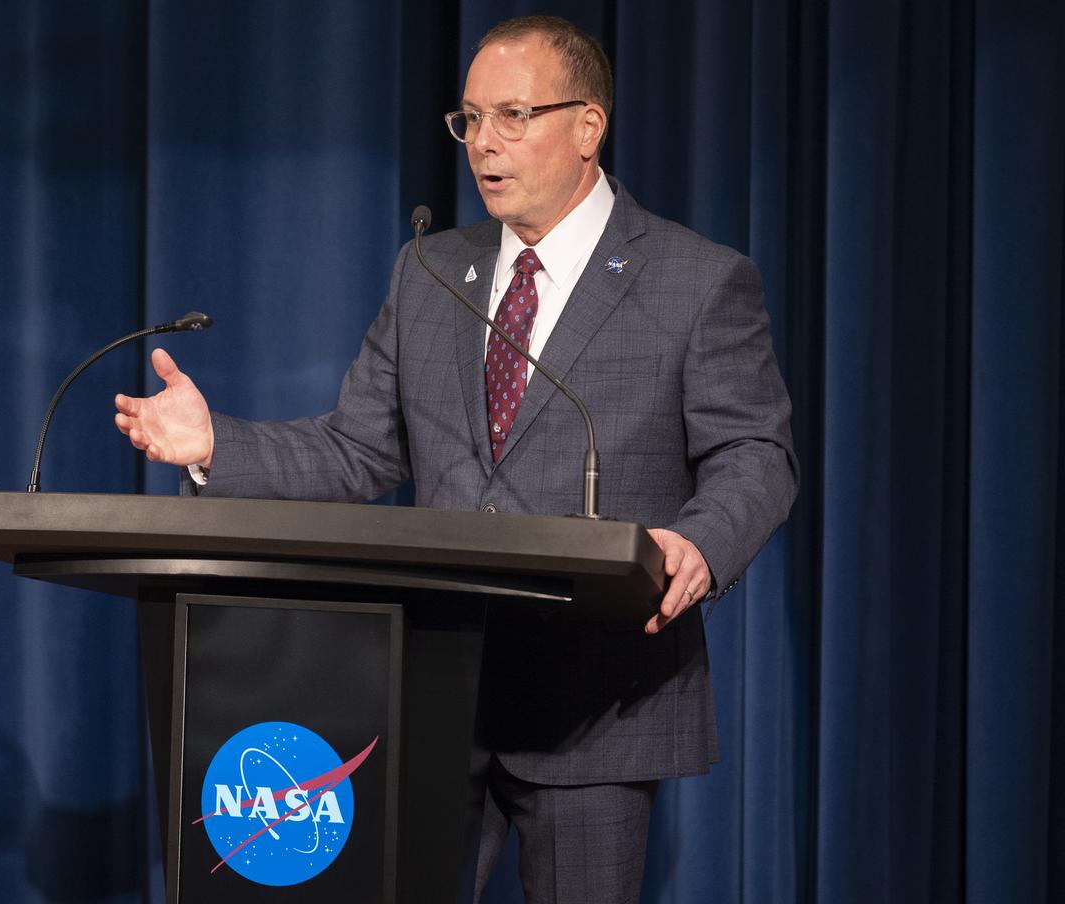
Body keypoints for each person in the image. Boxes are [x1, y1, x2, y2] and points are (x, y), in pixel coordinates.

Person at [115, 15, 797, 902]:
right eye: (469, 119)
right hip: (432, 689)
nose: (484, 143)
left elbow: (756, 452)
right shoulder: (431, 272)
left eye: (512, 116)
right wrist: (218, 445)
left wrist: (698, 547)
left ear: (589, 126)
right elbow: (359, 450)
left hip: (600, 695)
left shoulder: (696, 280)